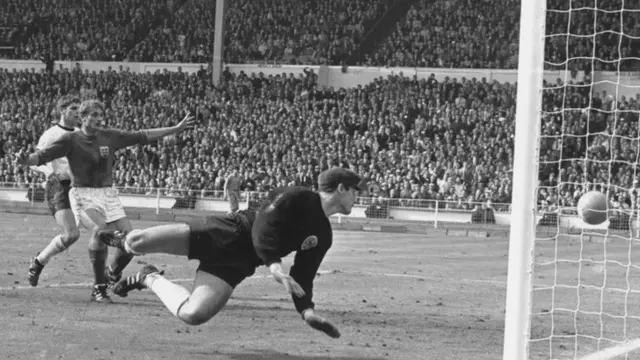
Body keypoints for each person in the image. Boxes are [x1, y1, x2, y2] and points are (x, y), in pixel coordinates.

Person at [98, 167, 364, 337]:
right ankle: (122, 242)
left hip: (239, 263)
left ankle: (148, 277)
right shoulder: (297, 196)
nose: (358, 197)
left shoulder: (324, 235)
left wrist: (307, 311)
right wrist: (272, 263)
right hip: (226, 232)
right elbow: (263, 226)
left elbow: (304, 275)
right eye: (355, 191)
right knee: (138, 241)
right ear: (341, 188)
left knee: (193, 314)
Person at [16, 99, 194, 303]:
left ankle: (111, 274)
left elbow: (142, 135)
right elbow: (42, 156)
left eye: (101, 115)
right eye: (94, 115)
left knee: (134, 241)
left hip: (109, 195)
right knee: (100, 230)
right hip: (83, 194)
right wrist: (25, 160)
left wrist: (175, 128)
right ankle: (99, 288)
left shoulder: (109, 136)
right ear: (83, 118)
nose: (100, 119)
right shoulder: (70, 139)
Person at [27, 95, 82, 286]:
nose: (78, 113)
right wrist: (51, 172)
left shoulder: (80, 133)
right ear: (62, 110)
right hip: (58, 187)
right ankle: (39, 261)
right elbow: (33, 163)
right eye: (74, 108)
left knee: (100, 229)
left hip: (79, 187)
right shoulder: (51, 134)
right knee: (72, 234)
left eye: (79, 109)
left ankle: (107, 276)